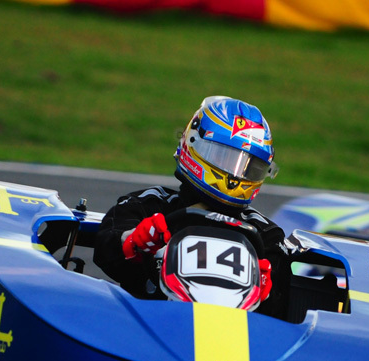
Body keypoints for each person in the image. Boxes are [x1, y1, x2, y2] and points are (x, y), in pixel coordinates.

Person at [93, 96, 290, 316]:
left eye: (249, 167)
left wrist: (268, 294)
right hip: (146, 322)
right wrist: (134, 242)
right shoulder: (149, 205)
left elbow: (284, 309)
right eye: (224, 158)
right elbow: (104, 248)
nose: (235, 176)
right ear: (193, 143)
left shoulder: (265, 235)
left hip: (235, 338)